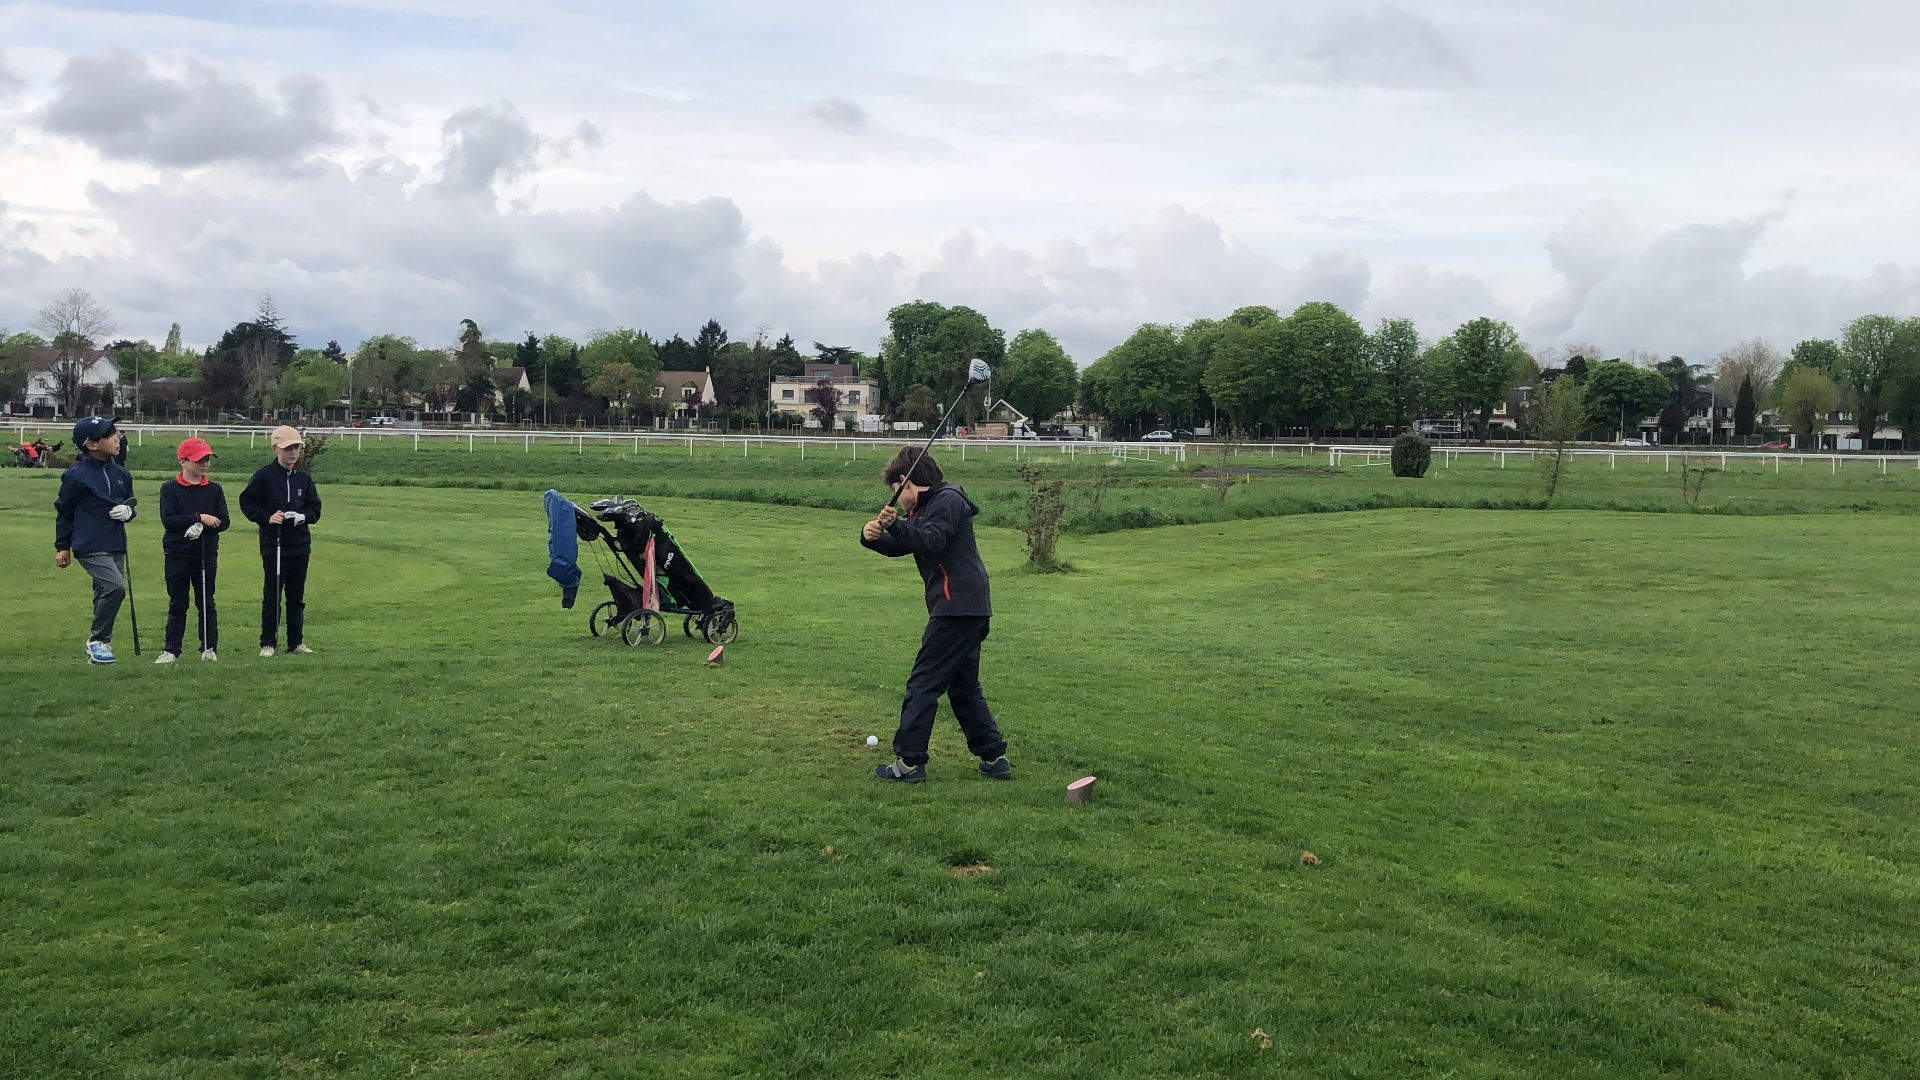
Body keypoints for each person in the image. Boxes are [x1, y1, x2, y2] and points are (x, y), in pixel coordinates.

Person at [858, 446, 1012, 783]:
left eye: (895, 490)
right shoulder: (925, 509)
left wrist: (896, 525)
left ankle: (909, 763)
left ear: (905, 481)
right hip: (964, 608)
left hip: (957, 607)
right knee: (963, 686)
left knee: (923, 683)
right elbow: (906, 543)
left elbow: (931, 540)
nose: (897, 500)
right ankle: (993, 757)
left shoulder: (948, 500)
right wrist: (872, 538)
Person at [53, 415, 137, 665]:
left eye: (115, 433)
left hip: (115, 542)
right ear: (91, 444)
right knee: (115, 587)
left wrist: (129, 511)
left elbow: (130, 504)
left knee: (103, 592)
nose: (117, 438)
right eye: (109, 435)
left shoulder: (122, 473)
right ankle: (98, 640)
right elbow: (64, 511)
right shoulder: (76, 475)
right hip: (88, 543)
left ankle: (99, 652)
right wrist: (62, 546)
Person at [239, 425, 322, 658]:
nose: (293, 453)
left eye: (296, 448)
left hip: (300, 545)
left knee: (296, 597)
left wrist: (302, 517)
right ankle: (268, 643)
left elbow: (315, 509)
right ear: (276, 449)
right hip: (274, 545)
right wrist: (267, 517)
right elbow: (247, 503)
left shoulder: (303, 479)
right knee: (273, 595)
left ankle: (296, 642)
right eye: (288, 449)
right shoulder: (264, 476)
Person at [156, 437, 228, 663]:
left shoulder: (214, 490)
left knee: (206, 602)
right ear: (183, 461)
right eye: (199, 460)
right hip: (176, 554)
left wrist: (205, 525)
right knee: (178, 603)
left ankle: (209, 647)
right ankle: (171, 650)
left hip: (205, 554)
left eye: (207, 459)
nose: (205, 464)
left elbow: (224, 521)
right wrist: (198, 517)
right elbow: (169, 520)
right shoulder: (169, 489)